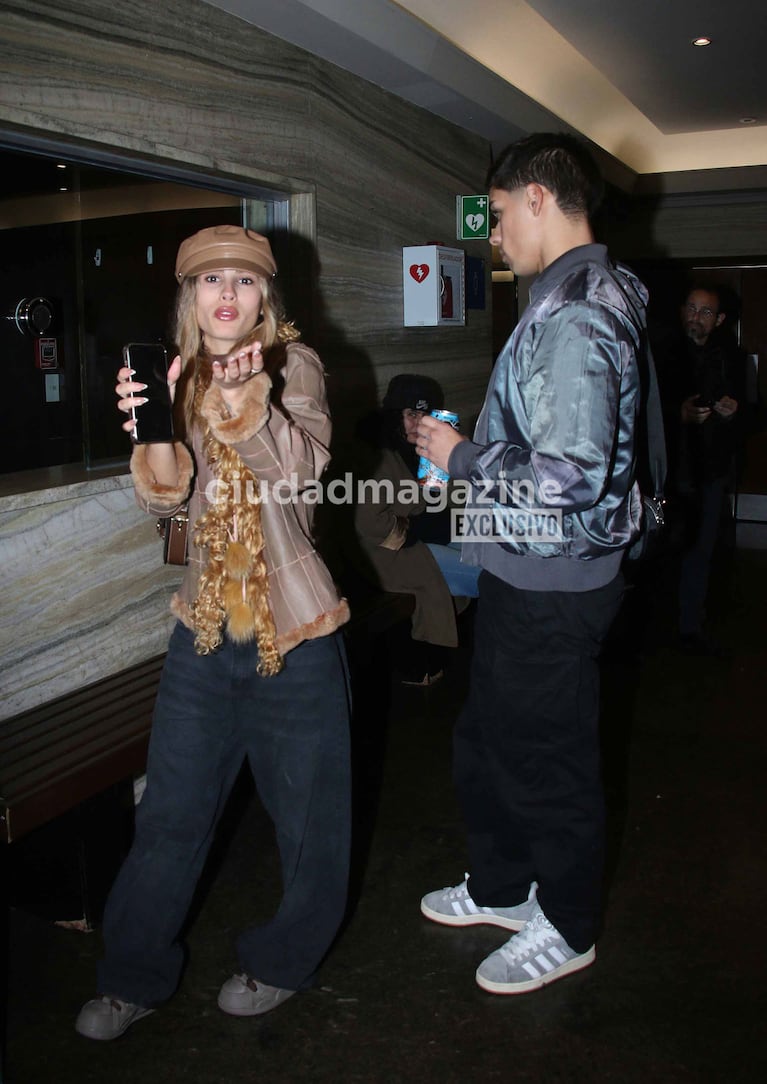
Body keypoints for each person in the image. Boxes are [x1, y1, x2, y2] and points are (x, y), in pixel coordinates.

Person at [75, 225, 352, 1041]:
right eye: (209, 282)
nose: (226, 295)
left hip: (294, 634)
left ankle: (283, 962)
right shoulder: (173, 374)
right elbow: (166, 508)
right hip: (201, 633)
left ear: (266, 296)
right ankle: (132, 978)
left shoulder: (293, 366)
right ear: (189, 297)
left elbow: (302, 478)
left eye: (243, 280)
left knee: (310, 826)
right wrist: (157, 430)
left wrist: (240, 404)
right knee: (170, 817)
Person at [416, 133, 645, 995]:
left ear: (538, 198)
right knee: (490, 742)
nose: (494, 234)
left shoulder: (577, 308)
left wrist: (463, 453)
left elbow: (572, 476)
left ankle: (570, 926)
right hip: (527, 571)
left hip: (552, 579)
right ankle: (507, 889)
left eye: (500, 213)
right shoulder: (573, 294)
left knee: (545, 757)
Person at [353, 374, 479, 685]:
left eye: (424, 415)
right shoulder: (379, 454)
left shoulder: (415, 450)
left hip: (413, 539)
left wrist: (439, 466)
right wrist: (415, 529)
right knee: (487, 574)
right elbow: (368, 523)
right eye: (410, 414)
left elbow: (429, 504)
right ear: (395, 416)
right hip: (382, 553)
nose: (417, 423)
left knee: (483, 548)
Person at [654, 284, 744, 654]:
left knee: (701, 550)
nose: (695, 317)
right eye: (691, 308)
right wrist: (679, 415)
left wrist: (735, 411)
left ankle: (690, 625)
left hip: (709, 471)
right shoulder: (661, 355)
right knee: (658, 548)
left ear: (719, 320)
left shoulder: (731, 359)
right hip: (667, 471)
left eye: (705, 312)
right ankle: (654, 626)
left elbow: (751, 412)